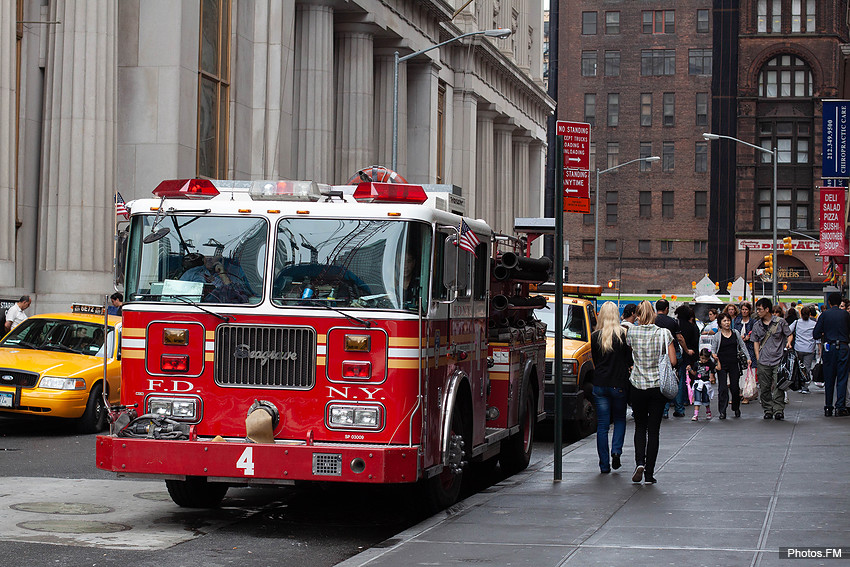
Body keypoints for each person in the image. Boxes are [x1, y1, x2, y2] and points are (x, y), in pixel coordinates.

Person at [626, 300, 676, 484]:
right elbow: (672, 361)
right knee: (654, 431)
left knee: (640, 427)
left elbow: (630, 352)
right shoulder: (664, 333)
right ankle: (649, 473)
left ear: (638, 315)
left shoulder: (632, 332)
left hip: (637, 385)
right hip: (657, 386)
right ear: (653, 314)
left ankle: (639, 462)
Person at [590, 302, 633, 474]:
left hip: (600, 383)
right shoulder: (623, 335)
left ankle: (604, 464)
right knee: (620, 420)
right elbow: (629, 361)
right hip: (619, 383)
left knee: (602, 426)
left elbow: (595, 359)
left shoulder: (595, 336)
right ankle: (616, 451)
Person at [752, 297, 793, 420]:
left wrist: (788, 343)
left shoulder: (780, 322)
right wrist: (758, 358)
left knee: (778, 386)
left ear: (767, 309)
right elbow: (755, 342)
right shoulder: (757, 325)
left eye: (760, 310)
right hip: (763, 361)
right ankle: (767, 409)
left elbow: (789, 334)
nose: (758, 312)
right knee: (764, 387)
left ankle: (778, 409)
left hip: (778, 360)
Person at [812, 292, 850, 417]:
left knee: (829, 377)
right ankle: (840, 406)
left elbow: (816, 334)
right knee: (842, 377)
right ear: (840, 303)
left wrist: (824, 333)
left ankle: (828, 406)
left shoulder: (825, 315)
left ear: (829, 302)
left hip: (829, 347)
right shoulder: (846, 315)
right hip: (843, 347)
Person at [710, 313, 750, 419]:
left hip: (734, 363)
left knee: (735, 388)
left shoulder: (735, 333)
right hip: (721, 364)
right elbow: (713, 350)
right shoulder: (717, 336)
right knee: (722, 388)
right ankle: (722, 411)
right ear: (720, 323)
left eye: (728, 321)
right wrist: (714, 356)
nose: (727, 323)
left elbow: (742, 346)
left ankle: (736, 408)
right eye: (724, 321)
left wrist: (748, 357)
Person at [655, 299, 687, 419]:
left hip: (658, 353)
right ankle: (679, 409)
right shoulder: (673, 322)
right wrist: (687, 350)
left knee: (662, 381)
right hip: (674, 352)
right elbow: (680, 338)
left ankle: (664, 410)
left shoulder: (653, 321)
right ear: (667, 309)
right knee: (677, 379)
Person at [674, 304, 699, 414]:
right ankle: (684, 399)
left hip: (674, 354)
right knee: (685, 378)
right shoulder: (691, 327)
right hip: (688, 355)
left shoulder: (674, 324)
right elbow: (694, 342)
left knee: (675, 377)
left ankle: (672, 400)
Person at [789, 306, 817, 395]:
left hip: (798, 348)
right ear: (809, 314)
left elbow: (788, 330)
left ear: (801, 314)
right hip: (809, 348)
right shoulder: (813, 324)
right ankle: (805, 386)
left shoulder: (797, 322)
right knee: (807, 368)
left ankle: (800, 385)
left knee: (798, 367)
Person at [689, 349, 716, 421]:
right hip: (698, 383)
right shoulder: (696, 364)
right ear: (700, 356)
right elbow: (695, 373)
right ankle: (695, 414)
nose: (704, 360)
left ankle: (708, 411)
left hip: (705, 383)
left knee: (706, 398)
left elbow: (714, 370)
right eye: (703, 358)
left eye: (706, 359)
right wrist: (690, 370)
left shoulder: (710, 364)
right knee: (697, 398)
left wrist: (712, 377)